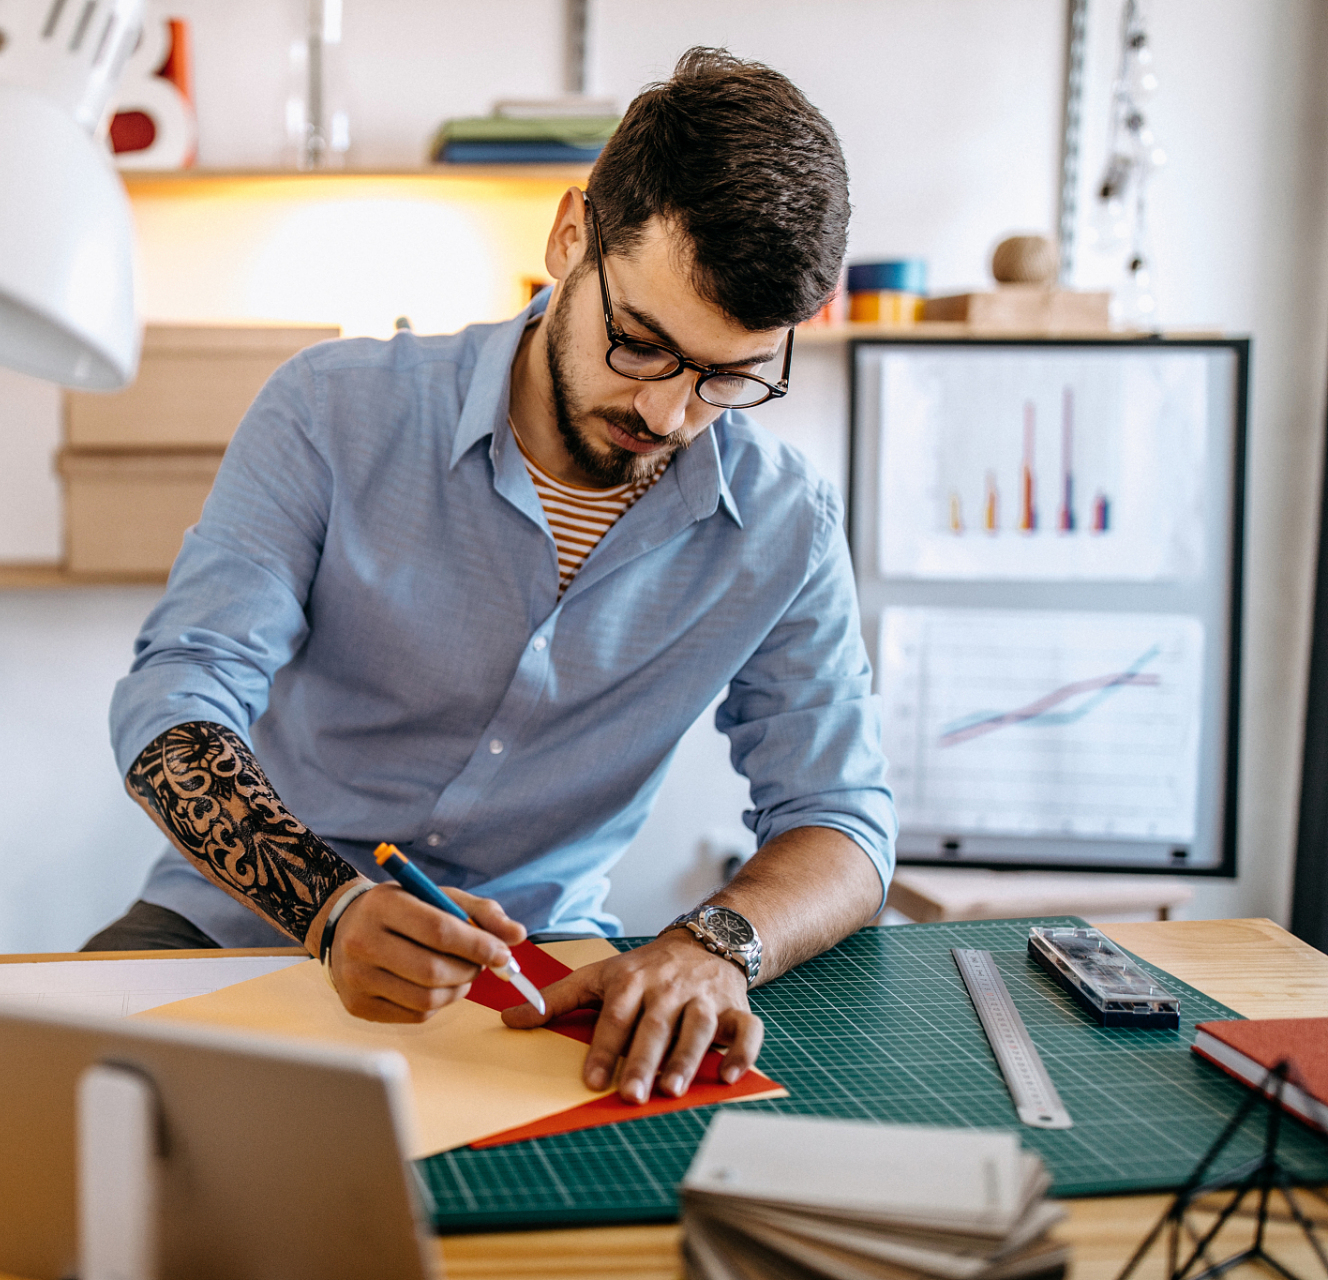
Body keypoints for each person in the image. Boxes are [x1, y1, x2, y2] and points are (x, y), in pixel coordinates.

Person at [89, 47, 895, 1107]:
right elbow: (175, 699)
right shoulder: (334, 411)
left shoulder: (785, 521)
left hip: (542, 975)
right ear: (571, 239)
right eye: (643, 343)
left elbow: (843, 820)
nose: (668, 415)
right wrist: (330, 907)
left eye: (730, 377)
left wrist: (716, 941)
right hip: (241, 922)